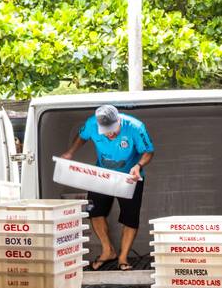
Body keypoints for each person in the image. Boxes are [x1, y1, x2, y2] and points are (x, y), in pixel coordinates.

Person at [60, 104, 154, 271]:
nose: (110, 134)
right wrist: (70, 152)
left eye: (113, 130)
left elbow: (148, 151)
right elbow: (82, 136)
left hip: (130, 176)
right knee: (94, 210)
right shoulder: (91, 124)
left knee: (130, 218)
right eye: (106, 131)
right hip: (103, 174)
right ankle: (108, 251)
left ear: (119, 121)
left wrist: (138, 166)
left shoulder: (135, 127)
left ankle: (123, 257)